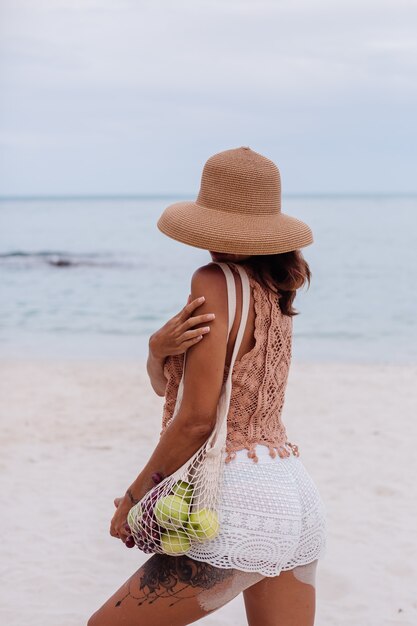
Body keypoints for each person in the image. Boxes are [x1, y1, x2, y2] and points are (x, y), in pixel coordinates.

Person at [88, 147, 327, 626]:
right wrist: (158, 350)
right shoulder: (276, 289)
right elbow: (173, 389)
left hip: (241, 502)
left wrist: (136, 498)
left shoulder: (213, 280)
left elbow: (196, 418)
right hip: (294, 494)